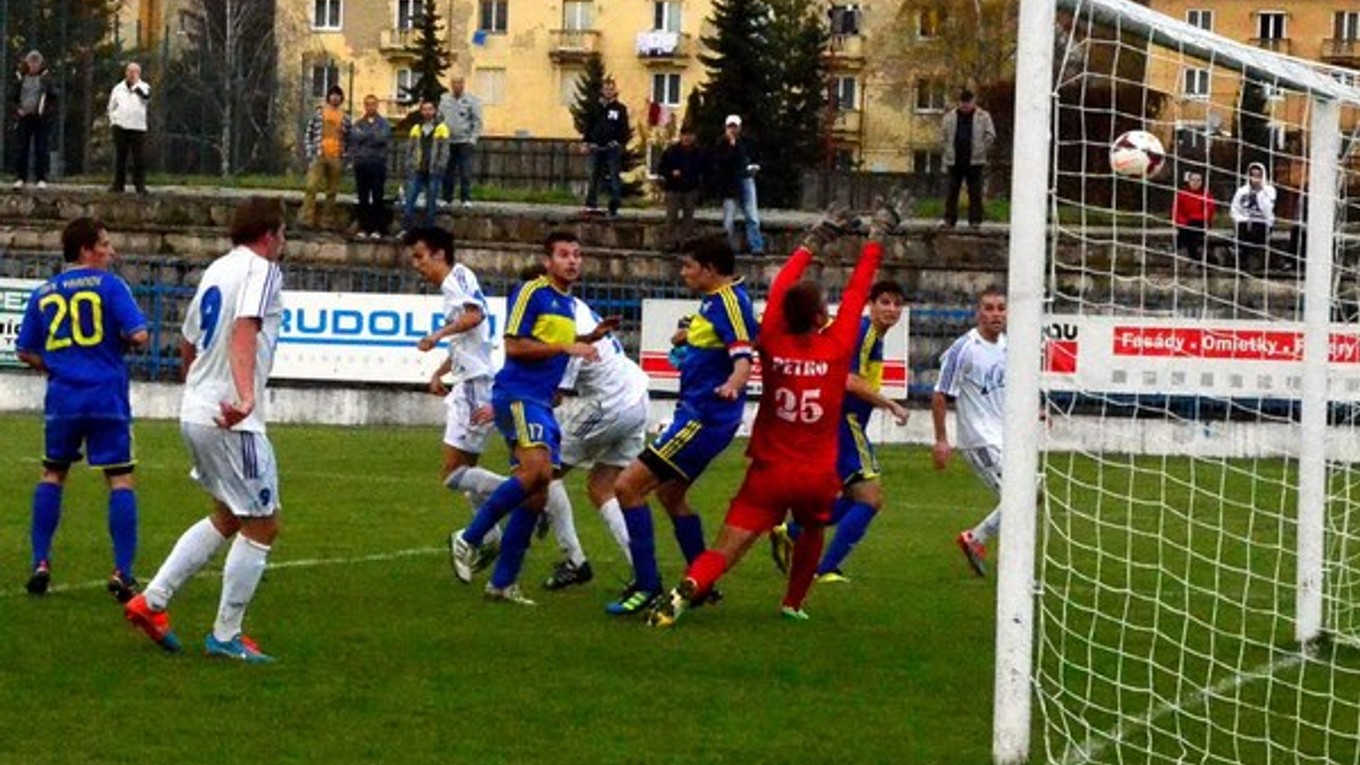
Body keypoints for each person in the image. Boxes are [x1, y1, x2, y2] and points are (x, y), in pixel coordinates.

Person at [646, 205, 891, 627]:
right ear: (820, 318)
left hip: (770, 470)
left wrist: (814, 240)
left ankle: (688, 587)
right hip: (817, 473)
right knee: (812, 531)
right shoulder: (836, 347)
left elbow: (780, 287)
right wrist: (878, 235)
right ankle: (793, 602)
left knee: (728, 545)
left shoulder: (773, 339)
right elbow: (857, 291)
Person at [124, 196, 288, 662]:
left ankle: (152, 601)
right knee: (264, 522)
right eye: (282, 234)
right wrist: (245, 397)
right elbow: (244, 330)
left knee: (228, 515)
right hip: (231, 417)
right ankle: (226, 634)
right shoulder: (262, 271)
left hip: (197, 409)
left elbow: (188, 341)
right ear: (270, 234)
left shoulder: (217, 270)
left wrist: (196, 391)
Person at [606, 234, 759, 616]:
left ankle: (646, 585)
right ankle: (702, 583)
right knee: (671, 496)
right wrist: (687, 334)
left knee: (626, 487)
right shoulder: (717, 301)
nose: (683, 272)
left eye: (688, 266)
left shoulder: (729, 302)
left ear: (709, 269)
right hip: (700, 415)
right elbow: (715, 333)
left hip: (702, 418)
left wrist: (733, 383)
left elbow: (743, 354)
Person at [446, 232, 602, 605]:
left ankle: (502, 583)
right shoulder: (532, 291)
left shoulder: (568, 304)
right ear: (548, 261)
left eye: (578, 255)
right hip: (517, 395)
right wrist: (566, 346)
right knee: (537, 474)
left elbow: (551, 346)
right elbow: (515, 344)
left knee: (536, 495)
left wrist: (590, 336)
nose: (573, 261)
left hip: (541, 403)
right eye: (564, 254)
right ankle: (468, 538)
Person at [14, 217, 149, 600]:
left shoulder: (44, 292)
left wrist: (55, 366)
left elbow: (25, 350)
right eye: (105, 244)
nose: (111, 251)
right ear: (87, 250)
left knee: (52, 474)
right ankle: (123, 572)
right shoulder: (110, 285)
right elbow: (138, 334)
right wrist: (119, 340)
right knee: (120, 478)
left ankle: (41, 562)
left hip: (64, 397)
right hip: (106, 395)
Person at [770, 279, 911, 583]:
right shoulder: (864, 333)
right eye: (885, 302)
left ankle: (792, 532)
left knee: (852, 498)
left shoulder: (871, 334)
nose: (892, 309)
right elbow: (848, 380)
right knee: (870, 499)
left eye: (897, 303)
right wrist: (891, 405)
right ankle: (824, 568)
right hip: (844, 420)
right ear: (870, 304)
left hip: (836, 421)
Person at [406, 225, 504, 565]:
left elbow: (474, 317)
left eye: (420, 257)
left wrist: (437, 334)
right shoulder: (458, 281)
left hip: (475, 386)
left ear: (439, 254)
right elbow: (468, 338)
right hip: (471, 380)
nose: (417, 265)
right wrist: (439, 371)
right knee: (466, 474)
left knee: (451, 475)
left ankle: (522, 492)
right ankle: (490, 537)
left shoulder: (455, 280)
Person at [539, 295, 648, 590]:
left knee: (544, 471)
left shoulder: (563, 321)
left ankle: (575, 560)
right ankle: (643, 572)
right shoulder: (576, 306)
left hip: (608, 405)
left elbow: (557, 393)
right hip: (636, 396)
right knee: (602, 486)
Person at [933, 286, 1008, 578]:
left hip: (1005, 438)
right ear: (978, 312)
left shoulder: (1008, 346)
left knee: (1029, 494)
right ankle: (977, 539)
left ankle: (976, 539)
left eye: (1000, 308)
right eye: (988, 308)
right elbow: (940, 395)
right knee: (1023, 497)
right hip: (979, 440)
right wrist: (941, 440)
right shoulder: (964, 348)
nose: (995, 314)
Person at [940, 89, 996, 229]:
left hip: (975, 160)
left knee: (975, 192)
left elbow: (990, 135)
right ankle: (949, 220)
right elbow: (943, 136)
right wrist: (947, 149)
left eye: (968, 103)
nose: (965, 106)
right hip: (954, 160)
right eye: (962, 103)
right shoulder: (949, 117)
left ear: (973, 102)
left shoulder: (983, 116)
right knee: (952, 191)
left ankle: (975, 221)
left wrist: (982, 149)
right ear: (959, 102)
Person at [300, 85, 352, 229]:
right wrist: (310, 151)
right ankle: (306, 219)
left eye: (338, 95)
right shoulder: (319, 114)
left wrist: (345, 157)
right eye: (332, 95)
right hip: (319, 155)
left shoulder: (346, 117)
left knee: (332, 191)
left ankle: (327, 221)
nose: (335, 97)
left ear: (341, 98)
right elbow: (308, 132)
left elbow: (349, 138)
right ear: (328, 97)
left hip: (336, 157)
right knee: (311, 187)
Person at [713, 115, 765, 255]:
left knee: (752, 216)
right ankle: (726, 249)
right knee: (728, 220)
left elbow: (753, 157)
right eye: (730, 127)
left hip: (745, 180)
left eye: (735, 127)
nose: (733, 130)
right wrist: (731, 145)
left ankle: (757, 246)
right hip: (729, 184)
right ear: (726, 128)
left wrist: (755, 167)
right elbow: (722, 163)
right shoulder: (721, 144)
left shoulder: (747, 142)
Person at [583, 78, 629, 217]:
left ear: (615, 91)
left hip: (612, 148)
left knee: (614, 177)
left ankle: (613, 207)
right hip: (596, 147)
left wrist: (618, 142)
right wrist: (586, 143)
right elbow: (588, 126)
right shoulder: (595, 107)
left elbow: (624, 128)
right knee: (594, 176)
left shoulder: (620, 109)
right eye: (606, 89)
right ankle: (591, 205)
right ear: (602, 91)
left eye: (611, 89)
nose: (609, 92)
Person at [12, 50, 58, 189]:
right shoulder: (20, 78)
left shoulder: (46, 78)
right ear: (27, 63)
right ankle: (20, 177)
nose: (33, 65)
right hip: (24, 117)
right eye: (31, 62)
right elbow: (12, 96)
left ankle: (41, 178)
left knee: (41, 148)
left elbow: (54, 97)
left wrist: (45, 110)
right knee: (22, 148)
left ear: (40, 64)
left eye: (36, 63)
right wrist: (17, 109)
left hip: (41, 119)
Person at [351, 94, 393, 238]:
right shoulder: (358, 123)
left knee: (377, 196)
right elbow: (355, 138)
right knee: (362, 197)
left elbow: (383, 138)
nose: (370, 107)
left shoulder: (384, 123)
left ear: (377, 105)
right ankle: (363, 228)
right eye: (367, 104)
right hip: (361, 164)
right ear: (364, 106)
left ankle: (377, 228)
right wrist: (371, 136)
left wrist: (366, 136)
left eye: (373, 104)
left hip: (377, 163)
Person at [403, 100, 449, 232]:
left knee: (431, 202)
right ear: (421, 111)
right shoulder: (416, 128)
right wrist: (409, 164)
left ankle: (429, 230)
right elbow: (410, 149)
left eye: (430, 109)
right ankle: (407, 228)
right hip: (417, 170)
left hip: (433, 171)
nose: (427, 112)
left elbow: (444, 151)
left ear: (434, 111)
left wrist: (441, 166)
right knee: (409, 199)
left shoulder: (442, 128)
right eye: (424, 109)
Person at [106, 62, 151, 195]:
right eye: (130, 71)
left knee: (139, 158)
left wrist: (136, 87)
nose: (132, 74)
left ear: (139, 73)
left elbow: (146, 98)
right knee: (121, 157)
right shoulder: (118, 88)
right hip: (120, 126)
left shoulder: (144, 87)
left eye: (135, 71)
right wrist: (113, 121)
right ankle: (118, 184)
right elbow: (111, 106)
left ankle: (140, 185)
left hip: (138, 127)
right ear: (125, 72)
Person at [438, 75, 482, 208]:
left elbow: (477, 122)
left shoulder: (471, 100)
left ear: (463, 84)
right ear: (451, 84)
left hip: (464, 142)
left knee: (465, 171)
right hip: (448, 142)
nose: (457, 85)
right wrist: (441, 136)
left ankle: (466, 199)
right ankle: (446, 198)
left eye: (459, 83)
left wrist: (472, 139)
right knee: (447, 171)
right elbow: (439, 118)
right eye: (454, 83)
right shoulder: (444, 99)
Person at [658, 126, 705, 250]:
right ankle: (669, 243)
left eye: (690, 135)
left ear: (694, 137)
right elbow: (661, 169)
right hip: (674, 188)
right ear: (681, 136)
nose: (687, 138)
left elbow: (705, 169)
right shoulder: (671, 151)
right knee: (671, 218)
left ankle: (686, 244)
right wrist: (671, 173)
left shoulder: (699, 152)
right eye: (685, 135)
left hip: (691, 189)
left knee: (688, 219)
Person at [1230, 162, 1275, 272]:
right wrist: (1243, 219)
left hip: (1262, 223)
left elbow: (1268, 212)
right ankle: (1243, 261)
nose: (1255, 178)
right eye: (1253, 175)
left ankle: (1240, 254)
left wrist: (1259, 193)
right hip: (1244, 223)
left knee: (1252, 232)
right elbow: (1234, 210)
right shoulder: (1242, 191)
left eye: (1258, 175)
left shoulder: (1269, 191)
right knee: (1244, 228)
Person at [1172, 171, 1216, 263]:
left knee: (1191, 229)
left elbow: (1209, 211)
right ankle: (1198, 257)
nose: (1195, 182)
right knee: (1189, 231)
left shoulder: (1206, 195)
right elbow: (1177, 211)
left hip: (1200, 223)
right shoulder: (1182, 194)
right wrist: (1183, 222)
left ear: (1201, 182)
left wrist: (1197, 218)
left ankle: (1193, 257)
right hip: (1185, 224)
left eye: (1198, 180)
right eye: (1193, 180)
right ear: (1189, 181)